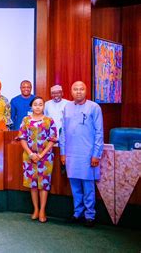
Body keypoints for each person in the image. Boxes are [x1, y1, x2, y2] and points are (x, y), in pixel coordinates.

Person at [60, 81, 103, 228]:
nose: (78, 92)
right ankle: (77, 213)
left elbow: (99, 132)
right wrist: (63, 153)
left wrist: (96, 154)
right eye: (75, 89)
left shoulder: (94, 107)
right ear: (71, 92)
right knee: (75, 186)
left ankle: (90, 215)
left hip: (88, 154)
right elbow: (63, 132)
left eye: (81, 89)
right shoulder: (67, 107)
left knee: (88, 186)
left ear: (86, 91)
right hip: (71, 154)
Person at [18, 96, 57, 223]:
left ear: (44, 106)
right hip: (29, 157)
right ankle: (35, 209)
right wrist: (30, 154)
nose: (38, 106)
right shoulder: (26, 120)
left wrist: (41, 154)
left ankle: (42, 210)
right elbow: (22, 138)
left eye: (40, 104)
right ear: (31, 106)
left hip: (45, 158)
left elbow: (52, 140)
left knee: (43, 185)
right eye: (35, 104)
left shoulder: (49, 121)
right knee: (33, 185)